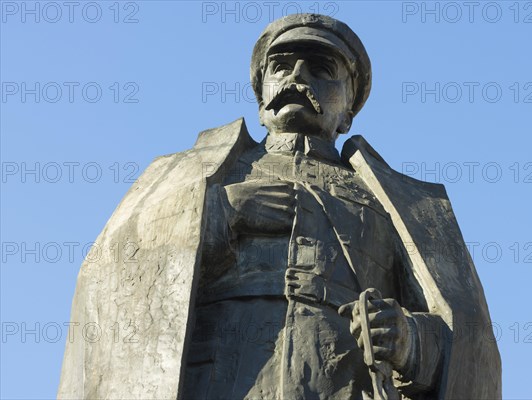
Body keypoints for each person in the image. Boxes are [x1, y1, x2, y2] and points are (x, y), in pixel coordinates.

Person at [59, 14, 500, 400]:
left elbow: (471, 343)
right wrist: (216, 216)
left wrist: (410, 343)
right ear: (261, 92)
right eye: (282, 66)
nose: (297, 77)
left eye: (321, 69)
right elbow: (111, 275)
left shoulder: (406, 203)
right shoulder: (187, 176)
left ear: (348, 110)